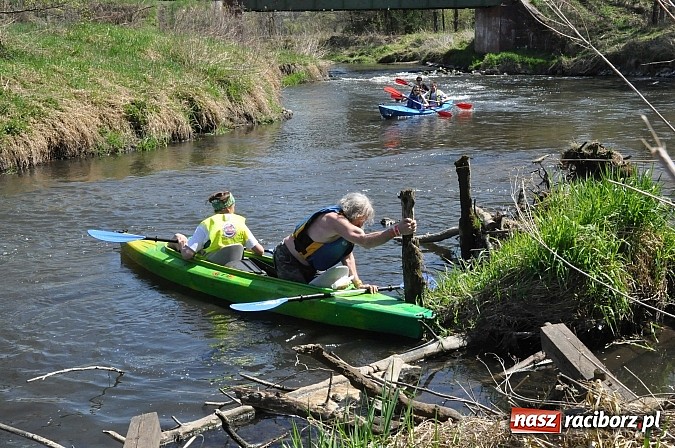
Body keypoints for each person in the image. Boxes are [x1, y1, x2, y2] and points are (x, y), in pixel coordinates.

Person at [273, 192, 417, 293]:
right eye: (363, 220)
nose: (363, 224)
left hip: (309, 266)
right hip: (288, 260)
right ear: (358, 215)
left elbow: (347, 255)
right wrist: (396, 230)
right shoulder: (333, 220)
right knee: (304, 299)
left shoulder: (345, 226)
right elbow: (365, 241)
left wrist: (358, 284)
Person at [169, 191, 264, 260]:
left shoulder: (207, 223)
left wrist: (182, 246)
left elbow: (187, 255)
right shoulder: (240, 222)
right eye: (233, 206)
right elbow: (260, 251)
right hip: (234, 260)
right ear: (228, 209)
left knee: (178, 237)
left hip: (213, 261)